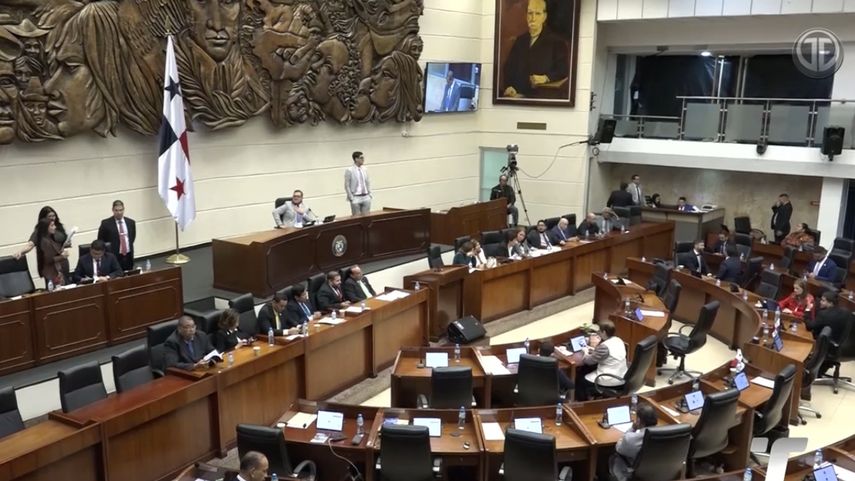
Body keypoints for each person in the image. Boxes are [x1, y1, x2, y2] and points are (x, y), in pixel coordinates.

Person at [501, 0, 569, 99]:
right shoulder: (520, 40)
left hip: (542, 97)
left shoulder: (557, 42)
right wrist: (509, 86)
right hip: (517, 97)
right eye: (530, 13)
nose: (533, 18)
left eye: (537, 13)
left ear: (544, 17)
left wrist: (546, 78)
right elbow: (508, 68)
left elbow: (563, 70)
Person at [575, 320, 627, 401]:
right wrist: (594, 351)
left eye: (599, 331)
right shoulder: (618, 340)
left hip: (609, 379)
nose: (598, 332)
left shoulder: (604, 347)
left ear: (604, 332)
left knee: (580, 381)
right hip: (621, 375)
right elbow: (606, 355)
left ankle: (583, 405)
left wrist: (585, 352)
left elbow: (588, 361)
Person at [609, 403, 658, 481]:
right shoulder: (665, 434)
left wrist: (632, 428)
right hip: (658, 473)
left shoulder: (631, 438)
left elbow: (618, 448)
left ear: (638, 420)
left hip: (634, 474)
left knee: (610, 457)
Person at [97, 200, 136, 271]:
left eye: (121, 210)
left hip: (128, 255)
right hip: (114, 256)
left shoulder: (131, 222)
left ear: (124, 209)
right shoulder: (106, 224)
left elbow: (132, 238)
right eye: (116, 210)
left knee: (130, 276)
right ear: (112, 210)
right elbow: (101, 241)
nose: (119, 213)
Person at [35, 217, 69, 287]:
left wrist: (62, 248)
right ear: (45, 228)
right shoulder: (44, 241)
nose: (55, 227)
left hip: (55, 271)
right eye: (52, 225)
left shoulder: (49, 238)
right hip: (51, 273)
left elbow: (53, 252)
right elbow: (48, 259)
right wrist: (62, 257)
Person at [344, 151, 372, 215]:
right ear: (356, 159)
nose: (363, 159)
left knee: (366, 218)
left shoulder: (365, 169)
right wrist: (351, 197)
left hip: (366, 196)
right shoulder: (349, 170)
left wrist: (369, 194)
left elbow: (368, 182)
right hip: (356, 197)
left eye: (363, 158)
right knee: (356, 218)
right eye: (361, 158)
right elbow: (347, 185)